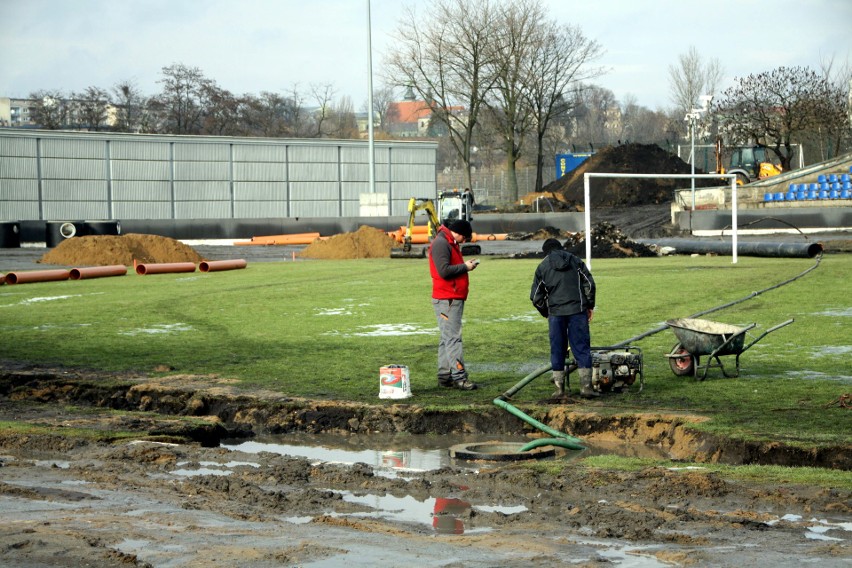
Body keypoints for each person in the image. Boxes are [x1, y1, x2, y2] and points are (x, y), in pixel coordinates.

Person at [530, 238, 598, 398]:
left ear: (545, 251)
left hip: (556, 314)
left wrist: (546, 312)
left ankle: (559, 389)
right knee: (581, 348)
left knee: (557, 349)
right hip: (577, 311)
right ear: (561, 248)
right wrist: (589, 305)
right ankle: (586, 388)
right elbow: (589, 284)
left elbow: (535, 297)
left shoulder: (542, 267)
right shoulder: (575, 261)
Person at [428, 219, 479, 390]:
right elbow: (444, 271)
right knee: (453, 338)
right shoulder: (442, 243)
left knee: (446, 338)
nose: (464, 241)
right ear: (458, 232)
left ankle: (445, 376)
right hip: (448, 299)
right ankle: (459, 378)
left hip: (450, 298)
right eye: (464, 237)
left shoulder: (447, 241)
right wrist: (465, 267)